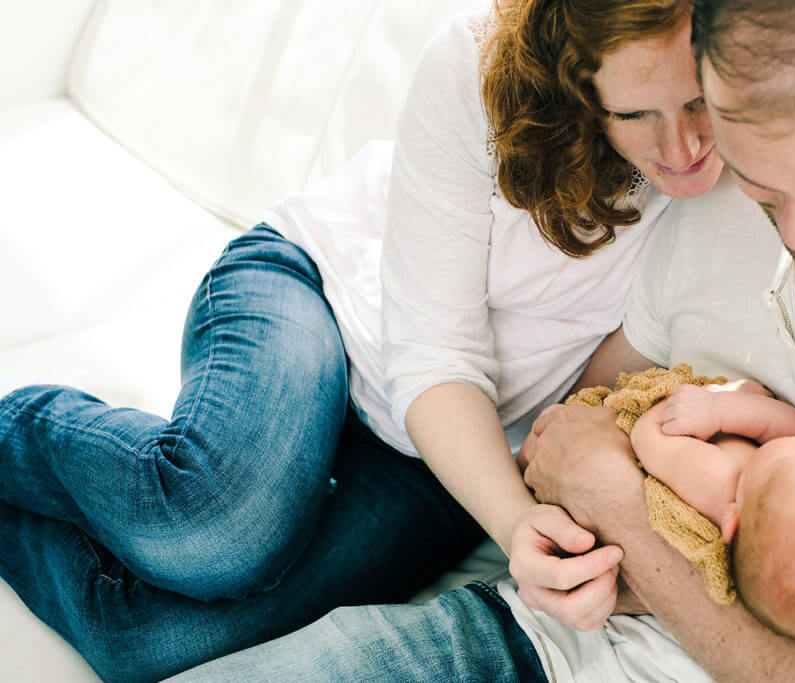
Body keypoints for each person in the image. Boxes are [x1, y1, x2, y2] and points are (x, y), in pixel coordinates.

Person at [174, 0, 795, 680]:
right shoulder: (708, 202)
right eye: (767, 182)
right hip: (524, 633)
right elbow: (565, 435)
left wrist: (624, 511)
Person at [0, 0, 725, 679]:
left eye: (699, 100)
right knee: (214, 525)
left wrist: (533, 511)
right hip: (322, 297)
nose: (683, 147)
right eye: (633, 113)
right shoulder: (476, 65)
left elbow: (589, 397)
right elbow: (434, 354)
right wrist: (514, 526)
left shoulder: (746, 181)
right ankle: (14, 427)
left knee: (145, 640)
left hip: (449, 455)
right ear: (578, 81)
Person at [632, 385, 795, 642]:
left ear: (733, 521)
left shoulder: (718, 477)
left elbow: (648, 435)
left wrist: (715, 407)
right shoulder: (767, 490)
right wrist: (735, 409)